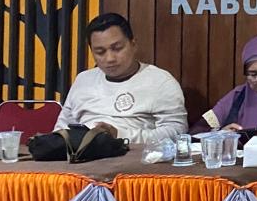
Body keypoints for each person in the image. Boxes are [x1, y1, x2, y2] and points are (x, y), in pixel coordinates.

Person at [55, 13, 187, 147]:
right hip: (79, 154)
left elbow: (177, 132)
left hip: (132, 155)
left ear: (133, 44)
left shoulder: (160, 81)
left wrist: (120, 135)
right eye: (100, 52)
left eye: (117, 48)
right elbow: (61, 129)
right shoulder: (83, 80)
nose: (110, 58)